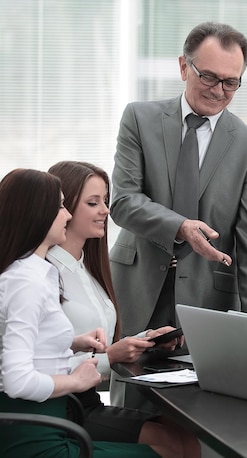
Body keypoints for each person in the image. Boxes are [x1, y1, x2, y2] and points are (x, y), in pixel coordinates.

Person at [110, 21, 247, 340]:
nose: (218, 90)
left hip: (207, 303)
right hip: (137, 291)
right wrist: (181, 227)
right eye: (209, 76)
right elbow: (123, 202)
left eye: (230, 82)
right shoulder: (139, 119)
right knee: (133, 390)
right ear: (184, 67)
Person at [0, 168, 159, 457]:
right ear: (37, 213)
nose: (67, 215)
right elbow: (17, 379)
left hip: (53, 416)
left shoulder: (36, 274)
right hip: (42, 431)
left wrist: (74, 342)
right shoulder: (26, 281)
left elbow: (31, 343)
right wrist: (79, 379)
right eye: (61, 206)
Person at [46, 161, 200, 457]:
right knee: (176, 442)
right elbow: (45, 359)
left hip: (86, 402)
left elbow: (94, 342)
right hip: (64, 408)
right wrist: (112, 356)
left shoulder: (89, 271)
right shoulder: (45, 273)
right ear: (62, 207)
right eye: (94, 203)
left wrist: (144, 340)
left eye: (105, 200)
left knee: (183, 434)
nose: (106, 210)